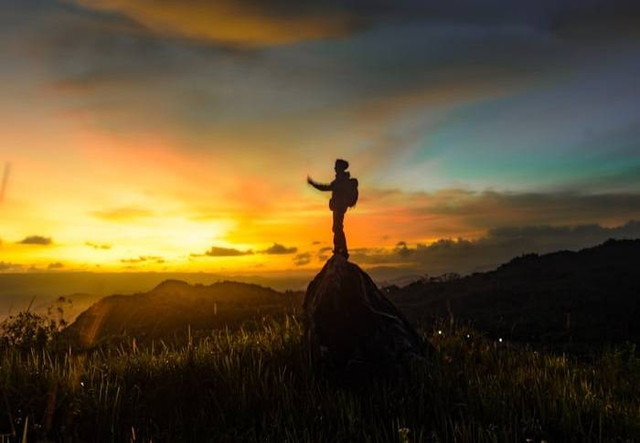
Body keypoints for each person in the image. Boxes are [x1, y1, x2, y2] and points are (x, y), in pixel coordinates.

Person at [307, 159, 357, 259]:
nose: (334, 168)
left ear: (339, 168)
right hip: (339, 207)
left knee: (337, 227)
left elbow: (324, 188)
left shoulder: (340, 181)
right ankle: (339, 249)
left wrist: (313, 184)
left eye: (336, 166)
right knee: (337, 228)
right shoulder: (341, 180)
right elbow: (326, 188)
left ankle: (341, 250)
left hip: (339, 207)